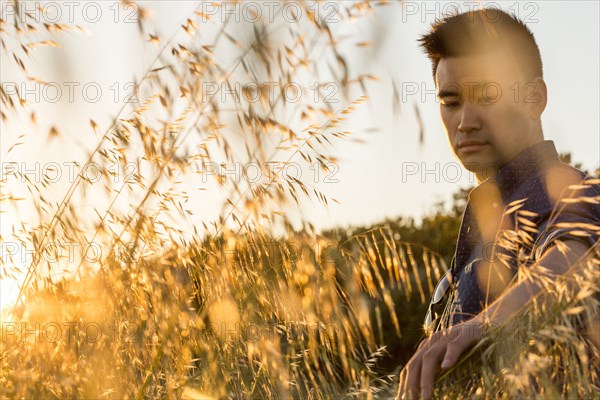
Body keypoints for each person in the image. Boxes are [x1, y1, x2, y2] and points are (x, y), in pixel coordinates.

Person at [396, 8, 600, 400]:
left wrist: (484, 324)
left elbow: (574, 258)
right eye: (451, 101)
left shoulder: (572, 191)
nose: (465, 120)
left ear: (534, 98)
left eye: (486, 95)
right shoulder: (483, 232)